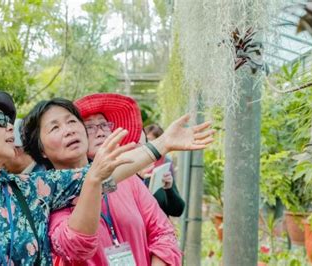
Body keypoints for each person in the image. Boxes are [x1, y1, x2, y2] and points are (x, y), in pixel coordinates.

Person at [0, 91, 193, 265]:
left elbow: (103, 174)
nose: (10, 126)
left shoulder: (31, 189)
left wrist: (162, 145)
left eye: (9, 120)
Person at [22, 93, 214, 265]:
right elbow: (75, 246)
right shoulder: (43, 197)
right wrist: (161, 144)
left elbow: (163, 232)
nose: (69, 130)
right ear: (41, 150)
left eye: (72, 121)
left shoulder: (129, 181)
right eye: (55, 127)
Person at [142, 124, 186, 217]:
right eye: (147, 141)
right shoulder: (130, 169)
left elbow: (177, 210)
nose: (151, 148)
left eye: (156, 143)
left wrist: (169, 189)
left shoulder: (163, 169)